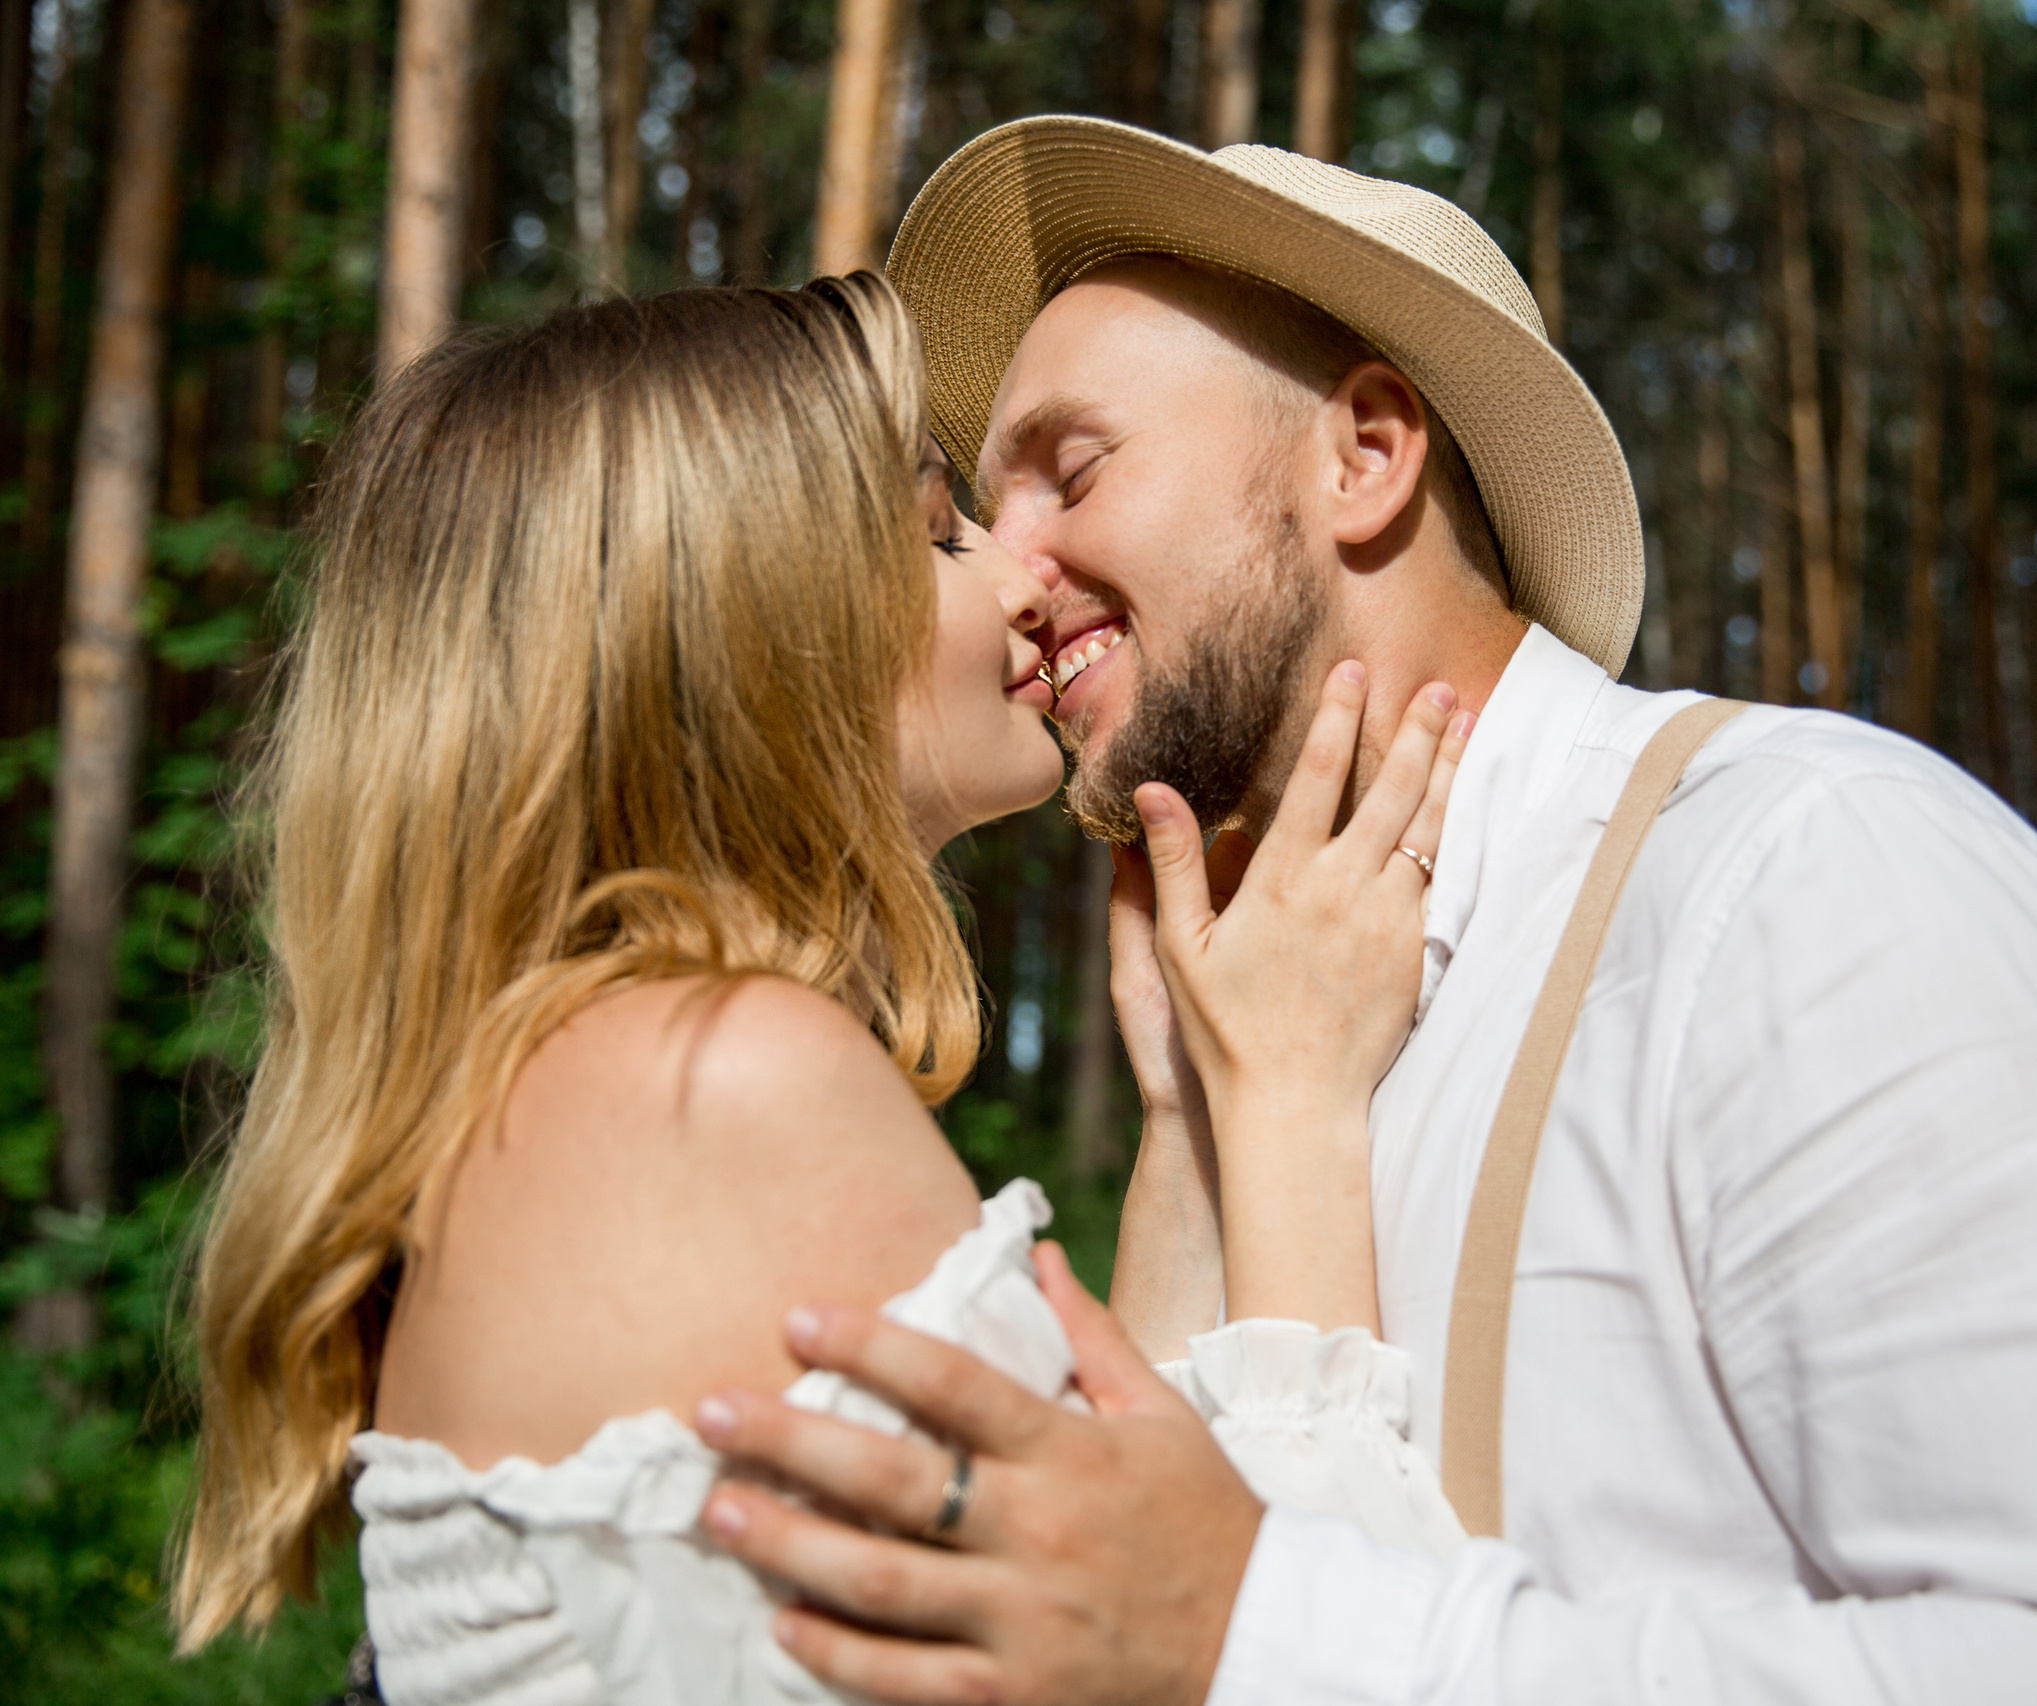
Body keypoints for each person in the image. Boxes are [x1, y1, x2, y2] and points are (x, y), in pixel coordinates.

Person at [689, 119, 2037, 1705]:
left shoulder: (1802, 873)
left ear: (1366, 454)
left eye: (1072, 469)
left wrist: (1261, 1620)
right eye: (986, 507)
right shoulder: (1246, 1033)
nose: (1010, 567)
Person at [170, 275, 1472, 1704]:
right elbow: (1255, 1653)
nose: (1022, 575)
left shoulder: (580, 1079)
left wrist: (1182, 1115)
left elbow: (1116, 1530)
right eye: (936, 532)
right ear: (733, 618)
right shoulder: (713, 1080)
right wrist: (1290, 1105)